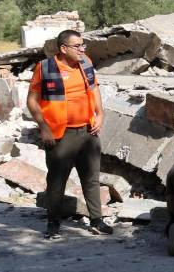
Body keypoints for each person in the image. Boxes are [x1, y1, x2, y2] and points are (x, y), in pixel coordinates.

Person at [26, 30, 112, 239]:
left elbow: (94, 89)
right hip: (59, 135)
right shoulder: (45, 68)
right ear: (64, 48)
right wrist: (44, 127)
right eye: (78, 46)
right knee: (56, 181)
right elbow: (32, 100)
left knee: (91, 179)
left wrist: (100, 114)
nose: (82, 49)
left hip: (87, 132)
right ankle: (53, 224)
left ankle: (97, 220)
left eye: (84, 45)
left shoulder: (86, 63)